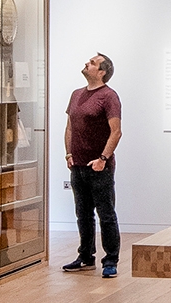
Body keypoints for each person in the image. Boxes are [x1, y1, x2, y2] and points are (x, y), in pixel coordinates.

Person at [63, 53, 122, 278]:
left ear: (102, 72)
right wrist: (68, 153)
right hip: (77, 164)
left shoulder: (109, 97)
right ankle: (86, 256)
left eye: (93, 63)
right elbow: (69, 127)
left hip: (99, 166)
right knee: (83, 214)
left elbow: (116, 131)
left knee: (106, 213)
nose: (87, 63)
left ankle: (111, 260)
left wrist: (103, 159)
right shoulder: (76, 95)